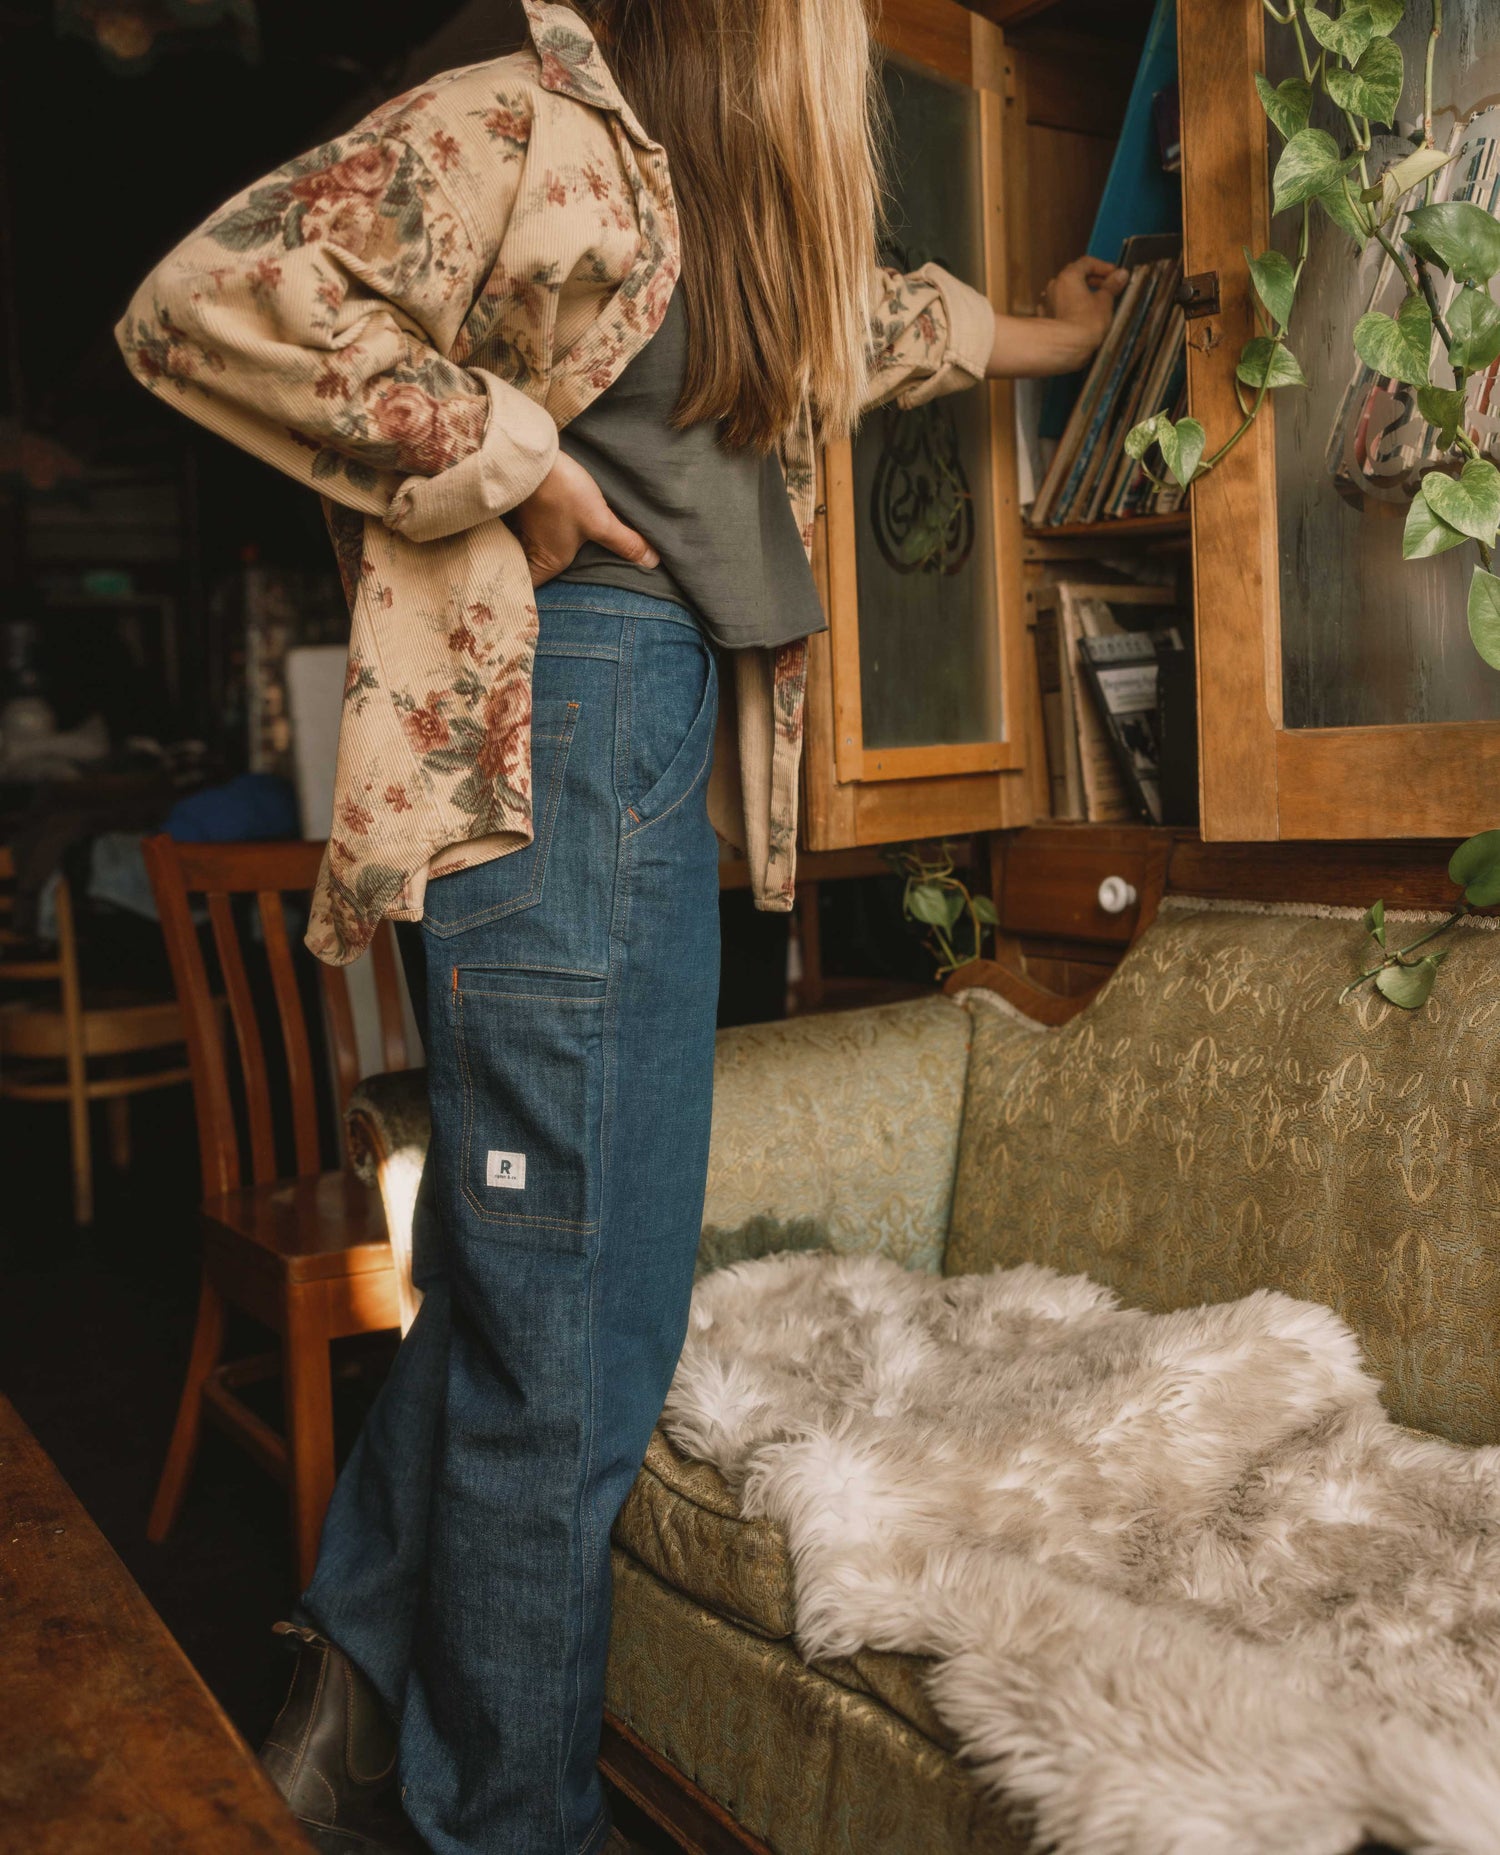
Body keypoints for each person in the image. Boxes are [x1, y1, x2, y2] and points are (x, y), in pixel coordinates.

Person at [115, 1, 1125, 1849]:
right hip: (561, 711)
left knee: (563, 1302)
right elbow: (218, 293)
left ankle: (350, 1682)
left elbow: (887, 322)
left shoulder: (721, 208)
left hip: (648, 727)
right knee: (565, 1360)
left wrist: (1068, 328)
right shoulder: (530, 121)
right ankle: (509, 1823)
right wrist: (516, 456)